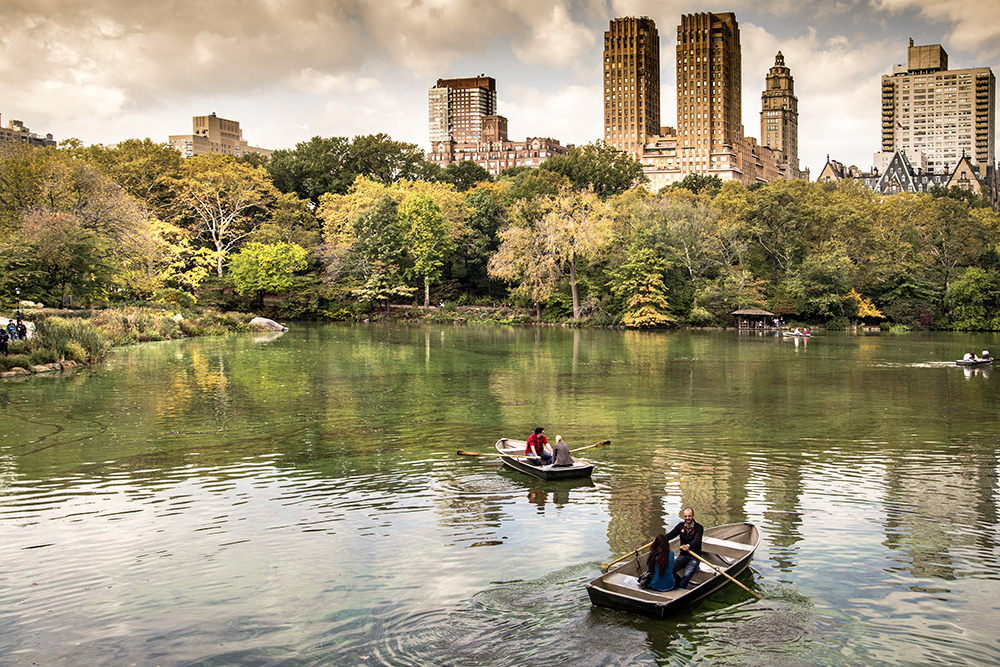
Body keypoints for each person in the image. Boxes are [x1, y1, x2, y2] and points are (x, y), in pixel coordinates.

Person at [664, 507, 704, 589]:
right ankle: (675, 585)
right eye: (686, 516)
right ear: (683, 517)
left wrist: (688, 546)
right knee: (670, 571)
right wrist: (660, 539)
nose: (687, 518)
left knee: (686, 575)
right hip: (683, 555)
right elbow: (670, 535)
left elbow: (697, 541)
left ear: (693, 516)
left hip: (694, 557)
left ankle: (680, 591)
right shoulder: (680, 526)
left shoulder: (699, 527)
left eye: (689, 516)